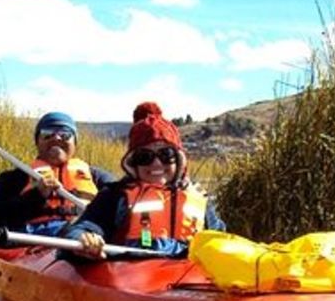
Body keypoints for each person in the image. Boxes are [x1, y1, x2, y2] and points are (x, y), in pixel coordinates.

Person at [63, 102, 224, 259]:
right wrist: (84, 239)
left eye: (166, 154)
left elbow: (220, 241)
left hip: (187, 281)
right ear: (133, 162)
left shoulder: (200, 200)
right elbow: (81, 229)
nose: (156, 163)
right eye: (144, 157)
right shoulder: (114, 196)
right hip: (132, 280)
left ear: (178, 159)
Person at [0, 111, 114, 237]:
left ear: (75, 143)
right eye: (47, 134)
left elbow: (121, 207)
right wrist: (36, 195)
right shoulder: (15, 178)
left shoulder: (98, 177)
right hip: (33, 240)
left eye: (65, 134)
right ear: (37, 142)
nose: (56, 138)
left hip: (85, 236)